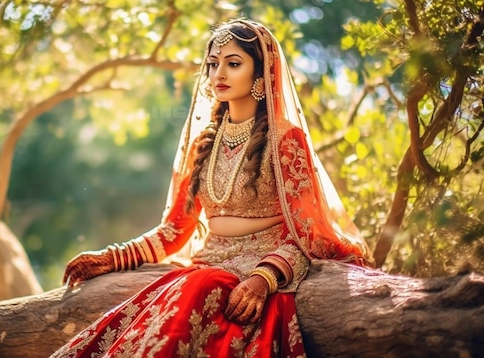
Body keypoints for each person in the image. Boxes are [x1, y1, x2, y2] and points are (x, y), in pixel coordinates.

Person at [51, 19, 373, 358]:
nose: (219, 73)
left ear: (260, 74)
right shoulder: (204, 143)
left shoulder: (284, 140)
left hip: (259, 269)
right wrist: (113, 256)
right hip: (205, 269)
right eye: (213, 64)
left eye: (233, 64)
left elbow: (310, 235)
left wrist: (264, 279)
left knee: (197, 289)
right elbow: (175, 230)